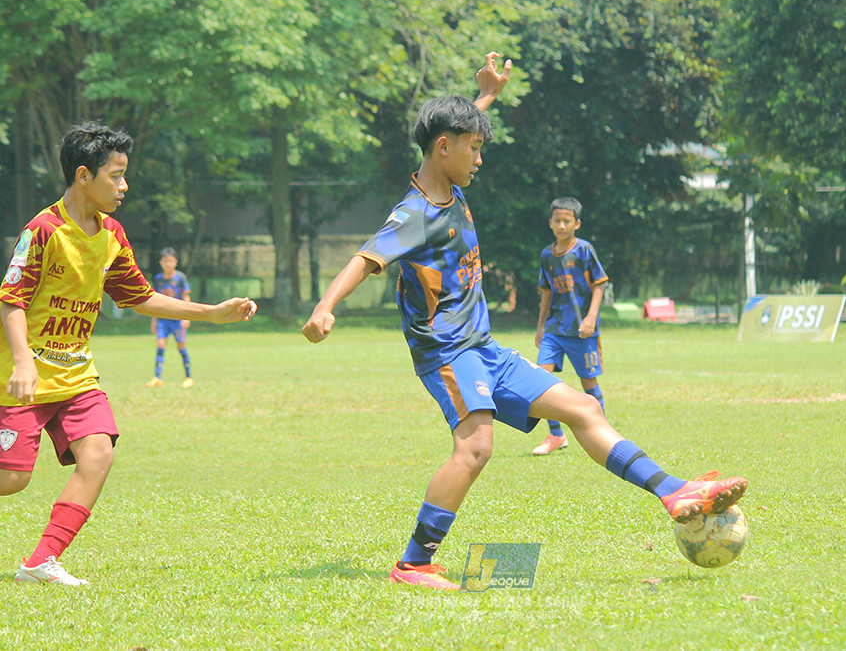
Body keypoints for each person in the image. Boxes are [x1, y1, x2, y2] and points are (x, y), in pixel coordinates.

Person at [301, 53, 747, 591]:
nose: (480, 157)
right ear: (445, 148)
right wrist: (325, 308)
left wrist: (485, 97)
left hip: (483, 348)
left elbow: (455, 129)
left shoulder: (449, 180)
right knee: (476, 447)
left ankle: (674, 492)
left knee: (581, 406)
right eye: (475, 146)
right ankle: (414, 564)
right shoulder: (414, 214)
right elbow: (364, 258)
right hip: (447, 354)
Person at [1, 121, 258, 586]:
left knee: (97, 454)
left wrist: (211, 313)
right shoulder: (42, 230)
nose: (124, 185)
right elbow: (12, 298)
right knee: (14, 478)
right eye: (116, 175)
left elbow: (139, 297)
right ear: (84, 175)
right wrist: (22, 362)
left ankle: (40, 562)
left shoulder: (112, 234)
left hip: (76, 376)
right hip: (24, 378)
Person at [531, 197, 609, 455]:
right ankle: (555, 434)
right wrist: (540, 327)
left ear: (577, 223)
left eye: (567, 221)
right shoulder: (546, 255)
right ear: (550, 223)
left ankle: (603, 433)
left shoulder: (584, 250)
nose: (562, 225)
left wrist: (591, 317)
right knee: (542, 379)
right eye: (557, 220)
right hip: (555, 329)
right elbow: (546, 292)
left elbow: (600, 284)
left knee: (589, 383)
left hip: (581, 330)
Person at [145, 247, 195, 388]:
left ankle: (188, 377)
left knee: (181, 345)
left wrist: (187, 316)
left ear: (175, 262)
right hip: (163, 318)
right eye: (166, 261)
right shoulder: (158, 279)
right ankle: (157, 377)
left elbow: (186, 296)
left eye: (171, 261)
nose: (168, 264)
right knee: (161, 344)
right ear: (161, 262)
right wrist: (153, 320)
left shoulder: (180, 277)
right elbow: (153, 300)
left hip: (178, 318)